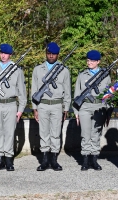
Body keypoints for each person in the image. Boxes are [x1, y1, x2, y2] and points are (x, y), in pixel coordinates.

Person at [0, 44, 27, 171]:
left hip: (11, 104)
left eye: (6, 53)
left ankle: (9, 160)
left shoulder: (17, 71)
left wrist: (20, 110)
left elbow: (22, 92)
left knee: (9, 133)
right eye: (1, 53)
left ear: (10, 55)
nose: (3, 55)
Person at [31, 42, 71, 171]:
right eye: (49, 53)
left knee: (55, 133)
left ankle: (54, 160)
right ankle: (44, 160)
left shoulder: (64, 71)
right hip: (42, 105)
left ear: (58, 55)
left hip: (57, 105)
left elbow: (67, 92)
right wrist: (34, 108)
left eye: (53, 54)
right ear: (46, 53)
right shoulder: (38, 69)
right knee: (44, 133)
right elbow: (34, 90)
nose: (51, 56)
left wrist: (66, 109)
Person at [73, 50, 111, 171]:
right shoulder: (82, 75)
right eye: (88, 60)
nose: (89, 62)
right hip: (84, 107)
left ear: (98, 62)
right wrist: (76, 112)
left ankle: (94, 160)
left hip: (99, 107)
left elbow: (109, 95)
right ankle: (85, 160)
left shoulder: (105, 76)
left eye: (92, 61)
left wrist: (108, 112)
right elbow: (77, 94)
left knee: (95, 134)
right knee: (85, 134)